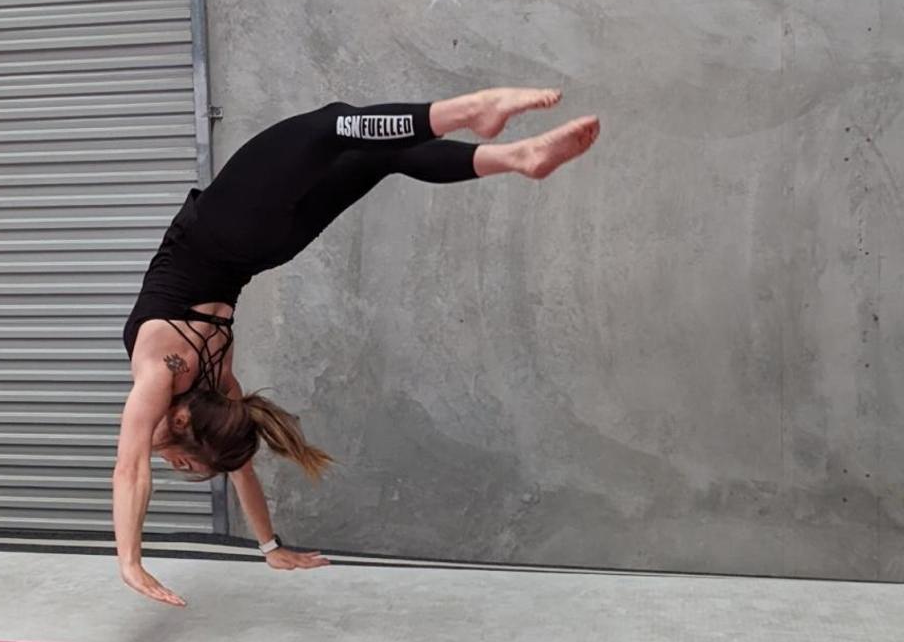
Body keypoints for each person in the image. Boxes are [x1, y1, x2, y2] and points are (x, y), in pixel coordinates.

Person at [114, 88, 600, 605]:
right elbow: (133, 468)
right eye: (173, 460)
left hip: (267, 247)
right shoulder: (165, 372)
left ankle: (517, 157)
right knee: (332, 126)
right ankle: (472, 115)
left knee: (378, 152)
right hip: (227, 228)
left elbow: (230, 466)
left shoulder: (218, 383)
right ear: (186, 423)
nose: (155, 450)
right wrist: (130, 560)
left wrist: (269, 546)